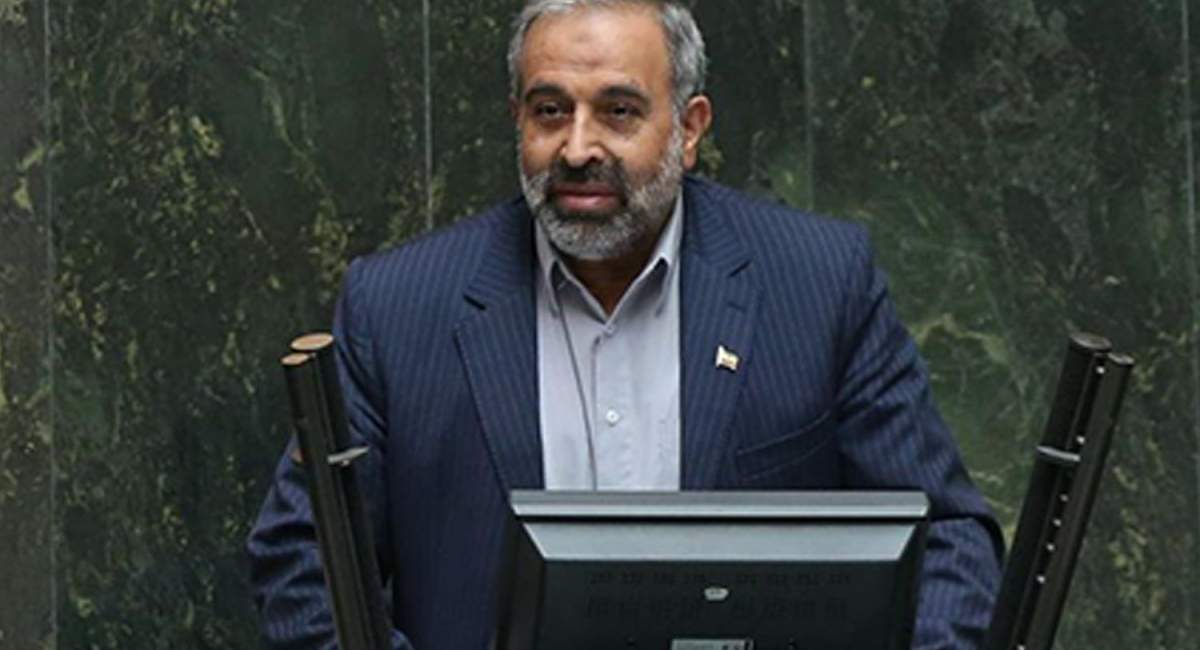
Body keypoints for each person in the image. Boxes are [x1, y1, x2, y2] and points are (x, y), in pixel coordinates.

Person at [248, 1, 1004, 648]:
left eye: (618, 111)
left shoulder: (817, 284)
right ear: (517, 120)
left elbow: (948, 539)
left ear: (689, 128)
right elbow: (304, 560)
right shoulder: (397, 306)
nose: (578, 148)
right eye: (550, 111)